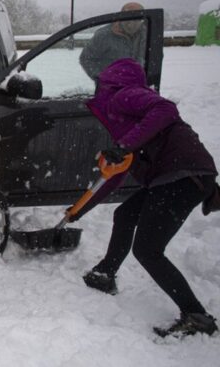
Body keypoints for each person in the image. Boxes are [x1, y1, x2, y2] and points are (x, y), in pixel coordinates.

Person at [70, 58, 218, 338]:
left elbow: (166, 108)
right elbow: (112, 176)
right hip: (174, 176)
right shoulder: (124, 118)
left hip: (182, 175)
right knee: (124, 214)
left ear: (110, 81)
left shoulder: (125, 95)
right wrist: (80, 210)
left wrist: (126, 144)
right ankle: (105, 274)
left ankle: (196, 316)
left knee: (148, 251)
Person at [80, 2, 146, 81]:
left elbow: (154, 59)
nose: (131, 24)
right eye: (128, 20)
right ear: (121, 18)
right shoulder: (104, 35)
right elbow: (86, 58)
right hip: (111, 88)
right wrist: (102, 78)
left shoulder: (147, 35)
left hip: (140, 87)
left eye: (136, 20)